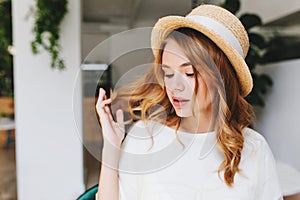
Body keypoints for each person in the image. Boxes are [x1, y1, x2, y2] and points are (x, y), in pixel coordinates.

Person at [95, 4, 283, 200]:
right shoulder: (146, 137)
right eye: (167, 73)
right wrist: (111, 147)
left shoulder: (254, 147)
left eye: (189, 73)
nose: (174, 86)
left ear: (222, 79)